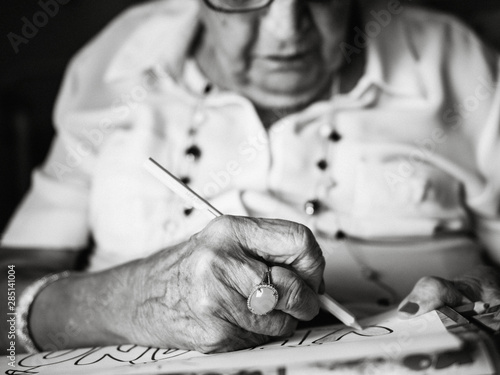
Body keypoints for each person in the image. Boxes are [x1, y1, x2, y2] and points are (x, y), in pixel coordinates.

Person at [2, 0, 500, 354]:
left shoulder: (449, 59)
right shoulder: (121, 59)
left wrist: (489, 297)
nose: (286, 29)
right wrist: (129, 301)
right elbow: (4, 298)